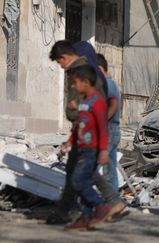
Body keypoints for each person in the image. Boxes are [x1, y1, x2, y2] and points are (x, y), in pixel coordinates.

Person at [47, 40, 125, 225]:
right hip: (85, 132)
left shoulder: (79, 72)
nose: (62, 67)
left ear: (63, 58)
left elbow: (88, 107)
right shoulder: (89, 68)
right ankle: (84, 208)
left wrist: (74, 111)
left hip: (87, 133)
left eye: (60, 63)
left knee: (81, 173)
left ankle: (94, 207)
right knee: (80, 171)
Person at [62, 65, 111, 231]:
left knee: (78, 180)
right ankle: (86, 216)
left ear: (86, 82)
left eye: (75, 83)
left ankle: (100, 205)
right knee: (81, 181)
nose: (74, 86)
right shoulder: (84, 102)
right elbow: (79, 125)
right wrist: (70, 141)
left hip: (92, 150)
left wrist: (103, 150)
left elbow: (103, 126)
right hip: (82, 147)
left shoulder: (97, 101)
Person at [96, 53, 121, 190]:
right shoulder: (107, 84)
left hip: (109, 130)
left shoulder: (108, 84)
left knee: (92, 167)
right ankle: (114, 202)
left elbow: (113, 105)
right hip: (112, 130)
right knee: (110, 171)